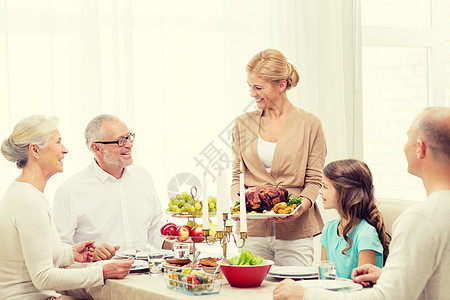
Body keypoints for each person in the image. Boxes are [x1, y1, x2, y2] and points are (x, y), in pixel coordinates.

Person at [273, 106, 450, 300]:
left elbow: (384, 298)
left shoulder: (422, 219)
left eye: (407, 138)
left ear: (420, 148)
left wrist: (305, 294)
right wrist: (387, 276)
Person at [0, 115, 133, 300]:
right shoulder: (28, 201)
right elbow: (43, 277)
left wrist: (70, 254)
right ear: (35, 151)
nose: (65, 150)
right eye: (58, 142)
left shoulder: (25, 193)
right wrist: (102, 272)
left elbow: (31, 258)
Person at [231, 49, 327, 266]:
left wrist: (299, 208)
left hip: (295, 231)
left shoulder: (310, 124)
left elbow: (313, 180)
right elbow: (237, 177)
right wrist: (239, 206)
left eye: (258, 87)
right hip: (252, 231)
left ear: (281, 85)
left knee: (293, 292)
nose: (252, 94)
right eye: (249, 86)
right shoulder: (242, 124)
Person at [52, 114, 170, 262]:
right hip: (100, 279)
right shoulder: (70, 190)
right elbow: (57, 247)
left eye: (129, 137)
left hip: (145, 274)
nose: (129, 145)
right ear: (97, 148)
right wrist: (90, 255)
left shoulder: (142, 176)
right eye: (121, 141)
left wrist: (178, 244)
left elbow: (154, 227)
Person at [319, 159, 390, 279]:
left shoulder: (366, 234)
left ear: (345, 191)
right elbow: (324, 279)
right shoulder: (329, 229)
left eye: (325, 187)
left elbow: (362, 286)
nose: (320, 191)